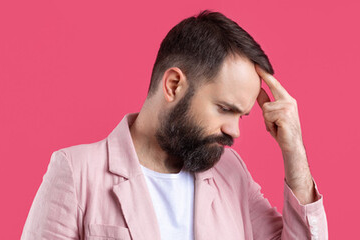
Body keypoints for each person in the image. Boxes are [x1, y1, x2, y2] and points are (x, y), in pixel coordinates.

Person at [21, 10, 327, 240]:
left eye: (241, 116)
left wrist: (294, 151)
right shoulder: (77, 172)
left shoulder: (230, 172)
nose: (234, 131)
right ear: (174, 85)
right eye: (224, 108)